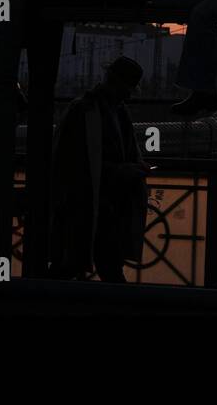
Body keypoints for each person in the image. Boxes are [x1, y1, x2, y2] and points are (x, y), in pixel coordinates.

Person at [50, 56, 149, 283]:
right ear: (119, 84)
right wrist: (128, 170)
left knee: (73, 264)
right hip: (96, 204)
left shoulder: (87, 110)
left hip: (93, 204)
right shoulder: (113, 112)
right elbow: (78, 165)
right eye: (129, 88)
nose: (130, 94)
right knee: (107, 266)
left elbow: (71, 161)